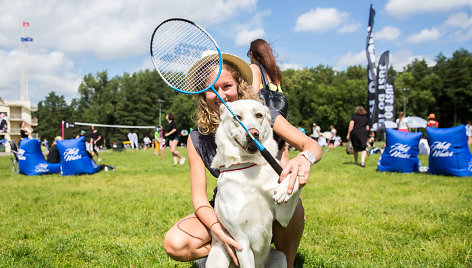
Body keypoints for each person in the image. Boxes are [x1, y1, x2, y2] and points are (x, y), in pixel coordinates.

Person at [163, 52, 322, 268]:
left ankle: (286, 262)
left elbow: (311, 145)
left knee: (293, 204)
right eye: (211, 90)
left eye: (226, 86)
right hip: (230, 207)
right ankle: (228, 253)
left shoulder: (265, 115)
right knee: (176, 243)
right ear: (202, 95)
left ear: (239, 85)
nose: (220, 95)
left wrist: (305, 158)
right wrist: (221, 233)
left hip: (269, 201)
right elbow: (199, 200)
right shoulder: (197, 138)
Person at [247, 38, 290, 166]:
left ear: (251, 54)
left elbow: (252, 98)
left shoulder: (254, 68)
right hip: (281, 126)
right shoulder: (275, 75)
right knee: (282, 166)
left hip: (264, 126)